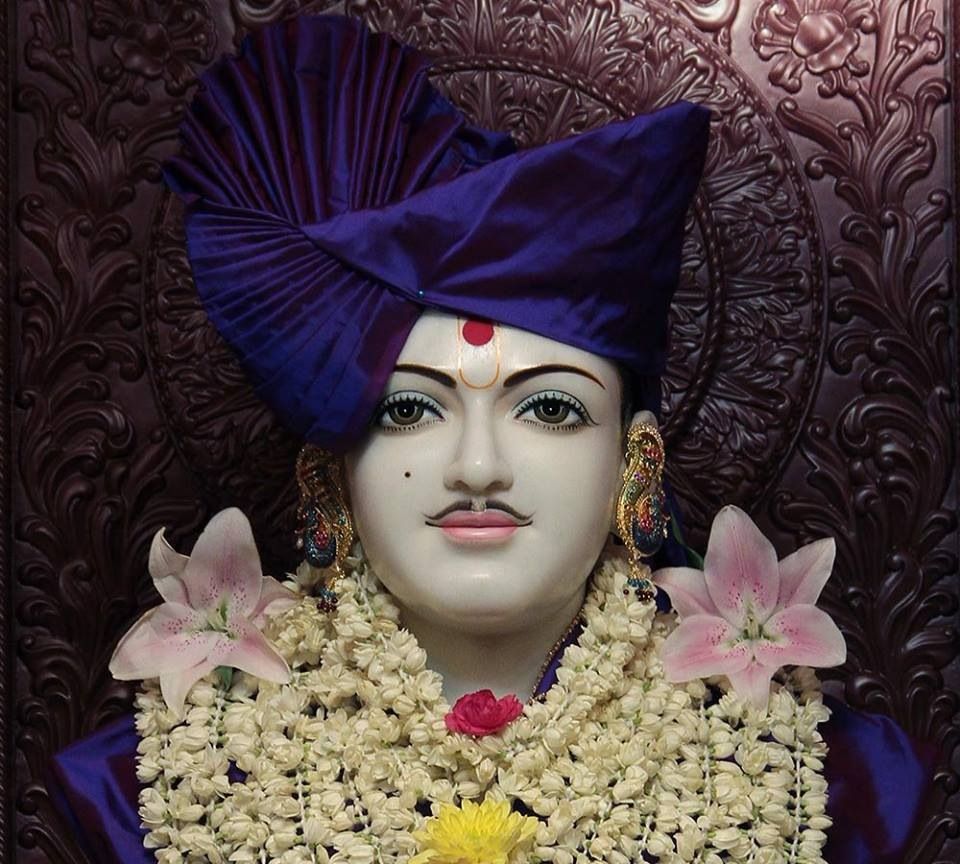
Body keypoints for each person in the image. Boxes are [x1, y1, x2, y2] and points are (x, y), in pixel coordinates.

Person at [49, 14, 934, 864]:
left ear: (636, 462)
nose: (477, 468)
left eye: (548, 409)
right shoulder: (168, 781)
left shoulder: (813, 780)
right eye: (409, 410)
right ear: (329, 474)